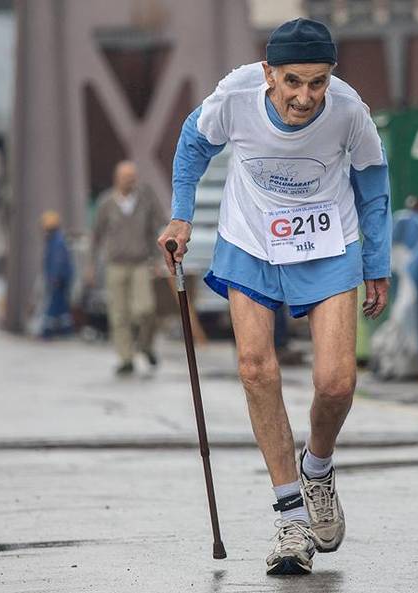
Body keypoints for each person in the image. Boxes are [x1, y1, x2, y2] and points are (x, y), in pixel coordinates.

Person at [157, 18, 391, 575]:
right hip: (252, 237)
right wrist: (181, 215)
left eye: (317, 83)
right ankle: (291, 519)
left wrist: (377, 263)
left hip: (327, 241)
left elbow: (373, 182)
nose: (305, 97)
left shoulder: (349, 111)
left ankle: (318, 468)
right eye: (292, 82)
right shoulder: (235, 96)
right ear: (268, 74)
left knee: (336, 381)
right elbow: (193, 143)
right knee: (256, 369)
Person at [89, 160, 168, 375]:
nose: (131, 181)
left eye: (133, 177)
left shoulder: (145, 198)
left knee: (146, 309)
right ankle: (125, 358)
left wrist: (159, 258)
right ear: (117, 179)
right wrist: (90, 266)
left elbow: (159, 224)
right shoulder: (106, 203)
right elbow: (96, 235)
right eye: (126, 178)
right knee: (119, 314)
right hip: (115, 264)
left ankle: (145, 345)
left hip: (140, 262)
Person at [41, 210, 74, 337]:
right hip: (61, 278)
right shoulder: (55, 239)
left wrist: (54, 277)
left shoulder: (57, 241)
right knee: (61, 305)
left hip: (59, 279)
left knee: (54, 303)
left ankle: (47, 331)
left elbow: (57, 261)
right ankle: (66, 329)